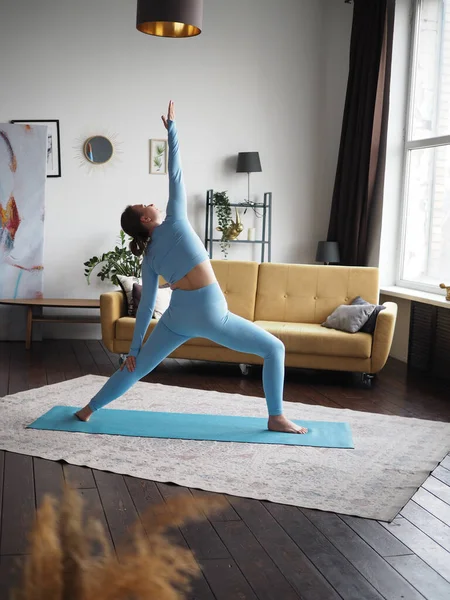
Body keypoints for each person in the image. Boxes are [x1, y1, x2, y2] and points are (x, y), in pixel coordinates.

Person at [76, 101, 307, 434]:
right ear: (146, 219)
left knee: (136, 367)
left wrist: (134, 349)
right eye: (147, 204)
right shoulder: (177, 221)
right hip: (210, 311)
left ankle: (88, 409)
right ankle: (276, 417)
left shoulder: (149, 258)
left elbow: (145, 312)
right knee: (274, 348)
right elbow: (176, 172)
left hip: (177, 317)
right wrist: (171, 129)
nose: (154, 202)